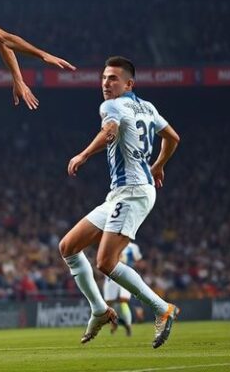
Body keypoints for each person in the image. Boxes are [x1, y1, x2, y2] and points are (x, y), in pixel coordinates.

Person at [58, 56, 181, 348]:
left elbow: (109, 131)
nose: (105, 83)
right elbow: (173, 137)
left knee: (105, 262)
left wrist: (83, 154)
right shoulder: (148, 107)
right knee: (68, 247)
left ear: (129, 84)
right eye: (103, 78)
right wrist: (160, 165)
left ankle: (161, 308)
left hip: (134, 191)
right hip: (123, 192)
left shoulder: (111, 106)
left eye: (113, 78)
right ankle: (100, 310)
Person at [103, 242, 142, 336]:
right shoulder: (109, 242)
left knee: (123, 301)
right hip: (110, 277)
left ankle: (127, 325)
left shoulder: (132, 247)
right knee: (109, 303)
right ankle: (114, 323)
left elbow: (138, 261)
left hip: (124, 276)